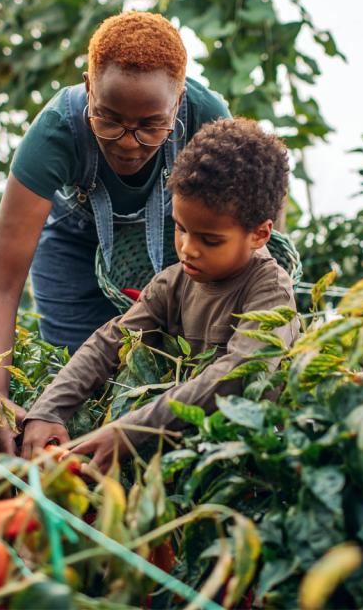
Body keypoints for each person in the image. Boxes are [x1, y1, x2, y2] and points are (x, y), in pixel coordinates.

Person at [0, 12, 230, 455]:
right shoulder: (56, 129)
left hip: (177, 241)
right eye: (108, 120)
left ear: (179, 101)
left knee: (180, 369)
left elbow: (245, 239)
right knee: (78, 383)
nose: (128, 142)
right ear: (89, 88)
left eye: (151, 125)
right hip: (74, 244)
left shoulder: (208, 119)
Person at [20, 118, 300, 471]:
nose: (188, 250)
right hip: (180, 447)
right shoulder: (174, 282)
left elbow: (239, 374)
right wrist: (49, 408)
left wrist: (134, 428)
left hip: (249, 457)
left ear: (259, 235)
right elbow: (112, 339)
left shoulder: (270, 291)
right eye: (181, 229)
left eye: (210, 240)